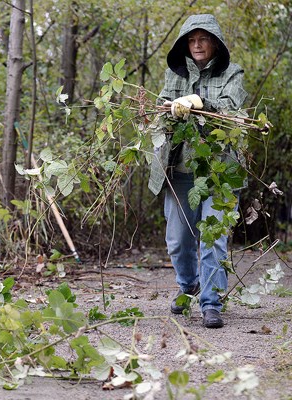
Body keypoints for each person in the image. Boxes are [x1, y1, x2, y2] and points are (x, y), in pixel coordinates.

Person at [147, 14, 248, 328]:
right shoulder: (173, 73)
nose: (197, 45)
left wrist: (199, 102)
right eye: (191, 40)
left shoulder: (232, 73)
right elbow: (160, 112)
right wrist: (168, 110)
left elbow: (232, 108)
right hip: (181, 168)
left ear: (214, 42)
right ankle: (188, 284)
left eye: (203, 39)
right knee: (178, 240)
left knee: (213, 238)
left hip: (220, 169)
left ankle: (211, 303)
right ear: (185, 44)